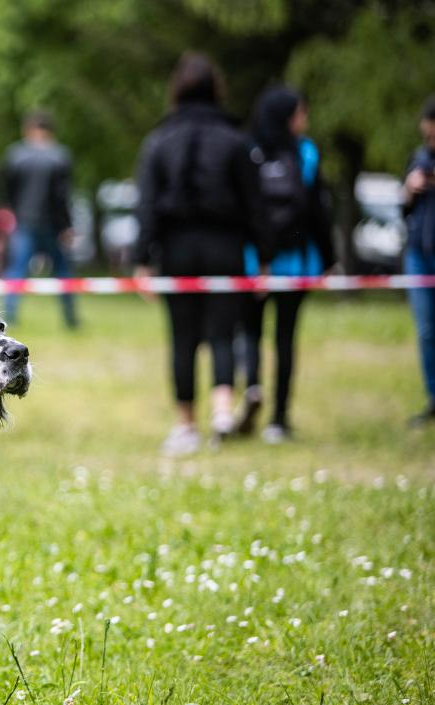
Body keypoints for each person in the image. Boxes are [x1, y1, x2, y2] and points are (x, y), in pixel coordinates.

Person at [133, 52, 267, 456]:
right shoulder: (236, 140)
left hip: (176, 249)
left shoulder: (158, 142)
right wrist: (262, 256)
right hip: (225, 246)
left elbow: (148, 205)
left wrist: (143, 259)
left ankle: (186, 424)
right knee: (223, 331)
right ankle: (223, 411)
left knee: (183, 336)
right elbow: (253, 204)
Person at [234, 86, 335, 443]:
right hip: (295, 262)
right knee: (285, 338)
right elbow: (317, 210)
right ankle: (278, 418)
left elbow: (241, 209)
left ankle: (253, 389)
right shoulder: (305, 153)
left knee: (250, 334)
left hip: (252, 263)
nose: (304, 119)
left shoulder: (247, 151)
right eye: (300, 113)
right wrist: (329, 258)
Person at [1, 110, 79, 327]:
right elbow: (63, 196)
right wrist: (67, 225)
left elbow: (9, 191)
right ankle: (70, 317)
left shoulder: (15, 155)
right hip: (53, 224)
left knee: (16, 270)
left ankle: (7, 316)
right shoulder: (61, 156)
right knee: (63, 272)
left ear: (28, 129)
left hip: (25, 221)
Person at [401, 94, 435, 427]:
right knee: (426, 330)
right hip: (419, 254)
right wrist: (409, 190)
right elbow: (404, 209)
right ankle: (433, 397)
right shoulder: (418, 159)